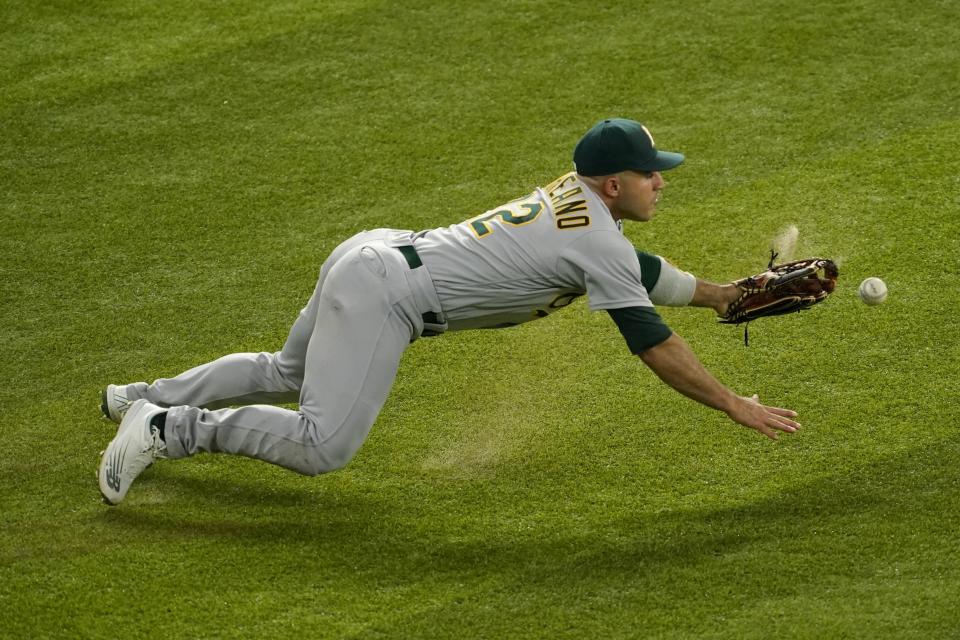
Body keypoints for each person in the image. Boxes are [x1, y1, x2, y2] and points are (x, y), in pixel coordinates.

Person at [97, 118, 800, 505]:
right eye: (652, 174)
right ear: (614, 184)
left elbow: (640, 272)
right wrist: (732, 403)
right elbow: (654, 345)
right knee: (321, 445)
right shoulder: (599, 240)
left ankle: (140, 397)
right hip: (388, 297)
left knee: (288, 370)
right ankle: (166, 427)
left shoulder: (581, 204)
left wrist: (723, 296)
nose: (660, 182)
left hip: (372, 254)